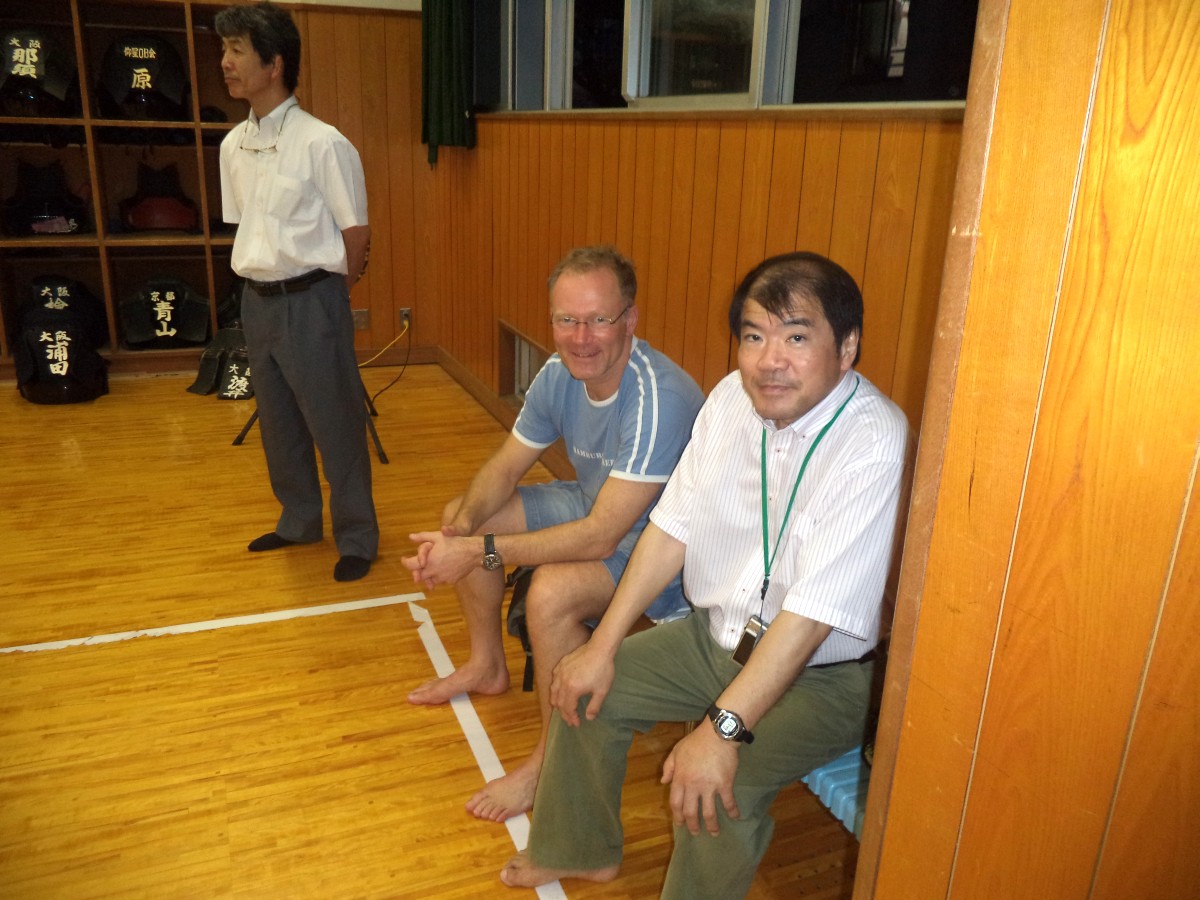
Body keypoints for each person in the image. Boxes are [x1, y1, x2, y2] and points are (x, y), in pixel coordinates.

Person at [500, 251, 911, 899]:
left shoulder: (874, 438)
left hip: (819, 678)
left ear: (847, 348)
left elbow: (811, 618)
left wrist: (722, 730)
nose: (769, 360)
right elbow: (670, 531)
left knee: (718, 783)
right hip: (712, 638)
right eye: (754, 336)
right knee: (580, 688)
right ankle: (579, 848)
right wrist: (600, 645)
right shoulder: (729, 399)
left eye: (796, 337)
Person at [403, 245, 704, 823]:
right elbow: (505, 468)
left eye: (599, 320)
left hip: (665, 552)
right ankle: (487, 665)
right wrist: (459, 531)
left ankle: (550, 764)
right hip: (599, 507)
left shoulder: (658, 398)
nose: (580, 338)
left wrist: (476, 553)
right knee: (467, 512)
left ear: (630, 320)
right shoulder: (558, 373)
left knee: (550, 594)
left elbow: (601, 538)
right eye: (567, 320)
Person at [216, 2, 378, 583]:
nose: (225, 62)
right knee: (279, 422)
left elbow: (356, 234)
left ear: (274, 63)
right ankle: (299, 520)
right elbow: (246, 228)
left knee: (335, 422)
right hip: (256, 301)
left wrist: (328, 294)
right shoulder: (232, 145)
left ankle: (357, 536)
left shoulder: (323, 143)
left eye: (237, 50)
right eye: (225, 49)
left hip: (313, 301)